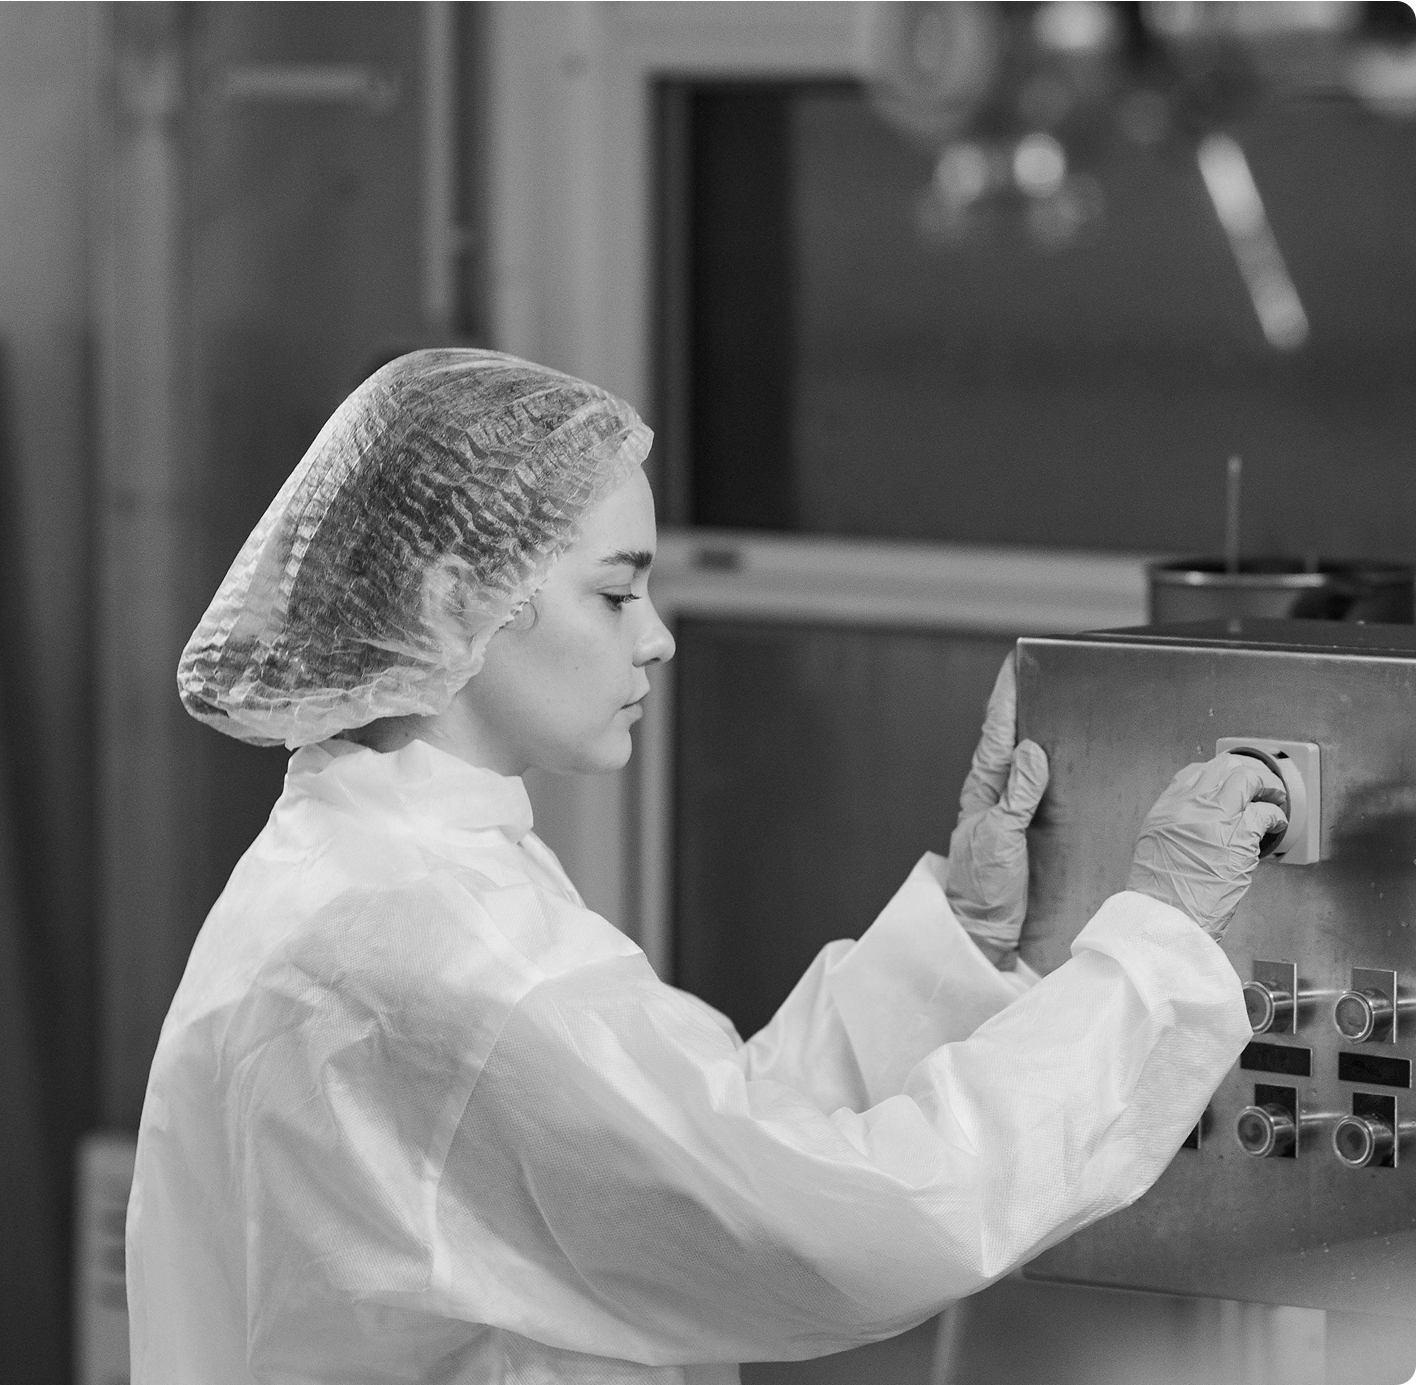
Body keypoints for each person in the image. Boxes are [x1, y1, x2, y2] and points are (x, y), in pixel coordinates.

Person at [126, 349, 1287, 1385]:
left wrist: (965, 936)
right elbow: (838, 1226)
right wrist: (1154, 944)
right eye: (616, 589)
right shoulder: (449, 958)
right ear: (455, 599)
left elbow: (689, 1147)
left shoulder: (358, 868)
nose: (658, 634)